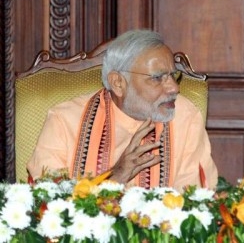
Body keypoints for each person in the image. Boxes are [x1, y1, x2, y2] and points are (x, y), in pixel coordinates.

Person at [27, 29, 218, 191]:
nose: (174, 88)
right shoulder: (64, 120)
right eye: (157, 78)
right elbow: (49, 205)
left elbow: (194, 203)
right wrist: (116, 176)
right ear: (118, 83)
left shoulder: (185, 116)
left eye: (173, 76)